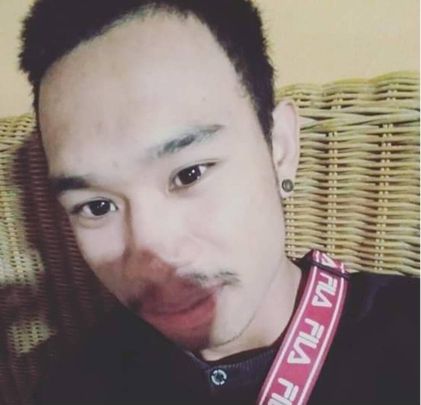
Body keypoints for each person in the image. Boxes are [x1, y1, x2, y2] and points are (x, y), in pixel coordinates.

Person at [19, 0, 419, 404]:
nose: (152, 257)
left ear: (280, 147)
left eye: (189, 174)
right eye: (97, 207)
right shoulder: (73, 387)